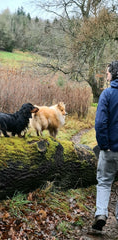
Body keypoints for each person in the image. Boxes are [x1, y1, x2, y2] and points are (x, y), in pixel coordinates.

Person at [92, 61, 118, 231]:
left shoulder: (107, 94)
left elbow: (101, 123)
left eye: (107, 73)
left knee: (104, 182)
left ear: (113, 74)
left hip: (110, 149)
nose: (106, 75)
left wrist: (104, 146)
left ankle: (101, 213)